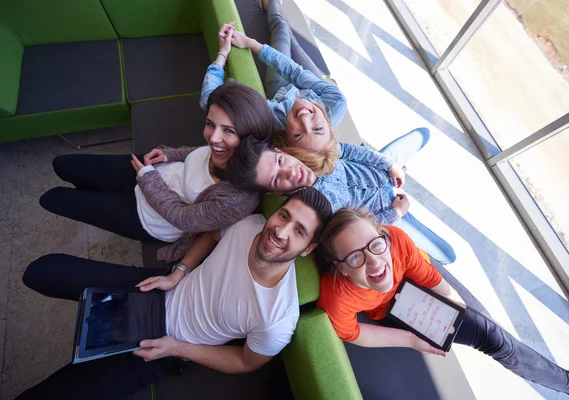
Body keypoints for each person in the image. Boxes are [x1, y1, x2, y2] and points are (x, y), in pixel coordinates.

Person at [17, 187, 333, 400]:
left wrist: (177, 348)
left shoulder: (278, 317)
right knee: (44, 272)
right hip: (157, 291)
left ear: (309, 249)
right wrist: (178, 272)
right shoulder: (251, 225)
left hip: (165, 349)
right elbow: (211, 235)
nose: (281, 230)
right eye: (284, 215)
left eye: (299, 231)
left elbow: (246, 362)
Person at [314, 208, 569, 399]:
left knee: (487, 327)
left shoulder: (395, 239)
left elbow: (428, 277)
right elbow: (355, 333)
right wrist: (412, 341)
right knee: (496, 339)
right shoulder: (337, 297)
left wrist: (455, 304)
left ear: (383, 236)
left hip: (415, 282)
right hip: (393, 311)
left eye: (375, 245)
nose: (374, 261)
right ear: (341, 268)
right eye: (355, 257)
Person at [39, 74, 273, 263]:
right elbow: (201, 151)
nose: (214, 138)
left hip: (146, 215)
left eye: (229, 131)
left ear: (249, 139)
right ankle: (96, 193)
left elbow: (183, 218)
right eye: (210, 124)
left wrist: (147, 178)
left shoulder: (238, 199)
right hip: (153, 170)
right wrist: (170, 153)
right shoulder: (223, 148)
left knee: (54, 199)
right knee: (64, 165)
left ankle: (97, 197)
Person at [227, 136, 457, 264]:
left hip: (382, 169)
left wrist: (390, 166)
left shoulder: (311, 152)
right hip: (387, 207)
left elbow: (349, 151)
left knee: (422, 134)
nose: (288, 172)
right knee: (445, 254)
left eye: (279, 161)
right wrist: (396, 213)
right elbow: (361, 228)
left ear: (281, 151)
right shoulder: (314, 211)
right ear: (274, 192)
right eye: (277, 180)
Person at [204, 4, 345, 156]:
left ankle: (273, 3)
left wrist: (223, 53)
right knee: (292, 42)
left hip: (280, 88)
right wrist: (250, 43)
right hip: (309, 85)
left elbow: (209, 100)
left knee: (282, 31)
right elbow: (295, 72)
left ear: (287, 137)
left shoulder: (272, 120)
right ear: (329, 129)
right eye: (318, 129)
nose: (305, 120)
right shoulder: (336, 103)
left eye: (299, 134)